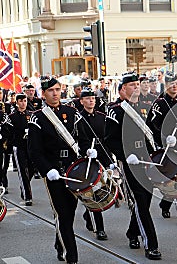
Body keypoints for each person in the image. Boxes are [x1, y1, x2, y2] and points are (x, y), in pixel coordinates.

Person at [27, 76, 94, 264]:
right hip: (55, 172)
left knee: (70, 213)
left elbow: (84, 137)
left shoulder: (71, 112)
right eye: (51, 91)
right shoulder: (38, 118)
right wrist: (47, 170)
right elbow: (35, 151)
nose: (55, 93)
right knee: (62, 215)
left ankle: (60, 243)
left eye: (57, 90)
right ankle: (71, 258)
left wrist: (88, 149)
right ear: (43, 94)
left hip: (73, 170)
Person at [105, 72, 161, 260]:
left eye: (138, 84)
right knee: (140, 201)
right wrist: (125, 156)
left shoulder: (145, 106)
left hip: (147, 159)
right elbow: (111, 139)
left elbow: (153, 130)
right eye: (132, 85)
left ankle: (132, 231)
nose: (136, 87)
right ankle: (151, 244)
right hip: (129, 160)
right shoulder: (116, 110)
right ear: (122, 89)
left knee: (147, 197)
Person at [146, 71, 177, 228]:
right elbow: (153, 125)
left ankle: (165, 204)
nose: (175, 86)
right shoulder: (159, 103)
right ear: (166, 85)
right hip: (168, 147)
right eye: (171, 84)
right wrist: (163, 140)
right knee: (176, 180)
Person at [79, 88, 110, 241]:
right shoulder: (79, 118)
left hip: (102, 155)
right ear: (81, 101)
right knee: (94, 191)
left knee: (105, 189)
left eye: (93, 98)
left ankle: (87, 212)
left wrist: (110, 162)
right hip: (88, 158)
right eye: (88, 98)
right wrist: (86, 151)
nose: (91, 100)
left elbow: (106, 140)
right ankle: (100, 229)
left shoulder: (102, 117)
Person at [6, 94, 34, 206]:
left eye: (25, 101)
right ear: (17, 102)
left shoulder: (31, 115)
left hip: (30, 146)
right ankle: (27, 196)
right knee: (22, 170)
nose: (23, 103)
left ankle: (24, 185)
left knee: (31, 169)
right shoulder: (12, 117)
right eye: (21, 101)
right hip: (19, 146)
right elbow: (9, 132)